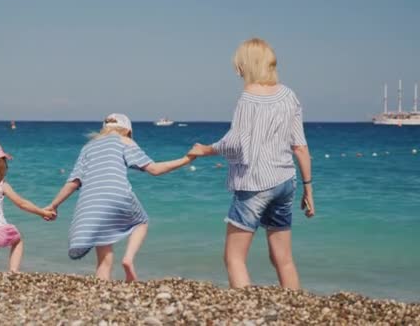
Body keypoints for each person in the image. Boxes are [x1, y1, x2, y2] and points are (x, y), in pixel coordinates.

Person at [189, 38, 314, 289]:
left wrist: (206, 150)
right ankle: (296, 310)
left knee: (234, 258)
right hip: (284, 182)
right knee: (283, 258)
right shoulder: (289, 95)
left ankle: (245, 311)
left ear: (247, 65)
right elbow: (300, 146)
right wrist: (308, 188)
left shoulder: (248, 98)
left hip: (255, 183)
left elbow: (235, 143)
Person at [48, 113, 195, 282]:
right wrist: (187, 159)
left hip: (90, 202)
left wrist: (54, 205)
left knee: (104, 259)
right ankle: (128, 259)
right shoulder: (124, 141)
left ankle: (102, 290)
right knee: (141, 222)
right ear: (127, 131)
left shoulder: (88, 147)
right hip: (116, 193)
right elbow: (154, 169)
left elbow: (73, 182)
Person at [0, 141, 56, 272]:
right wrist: (42, 212)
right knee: (17, 241)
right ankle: (13, 271)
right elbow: (21, 203)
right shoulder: (1, 185)